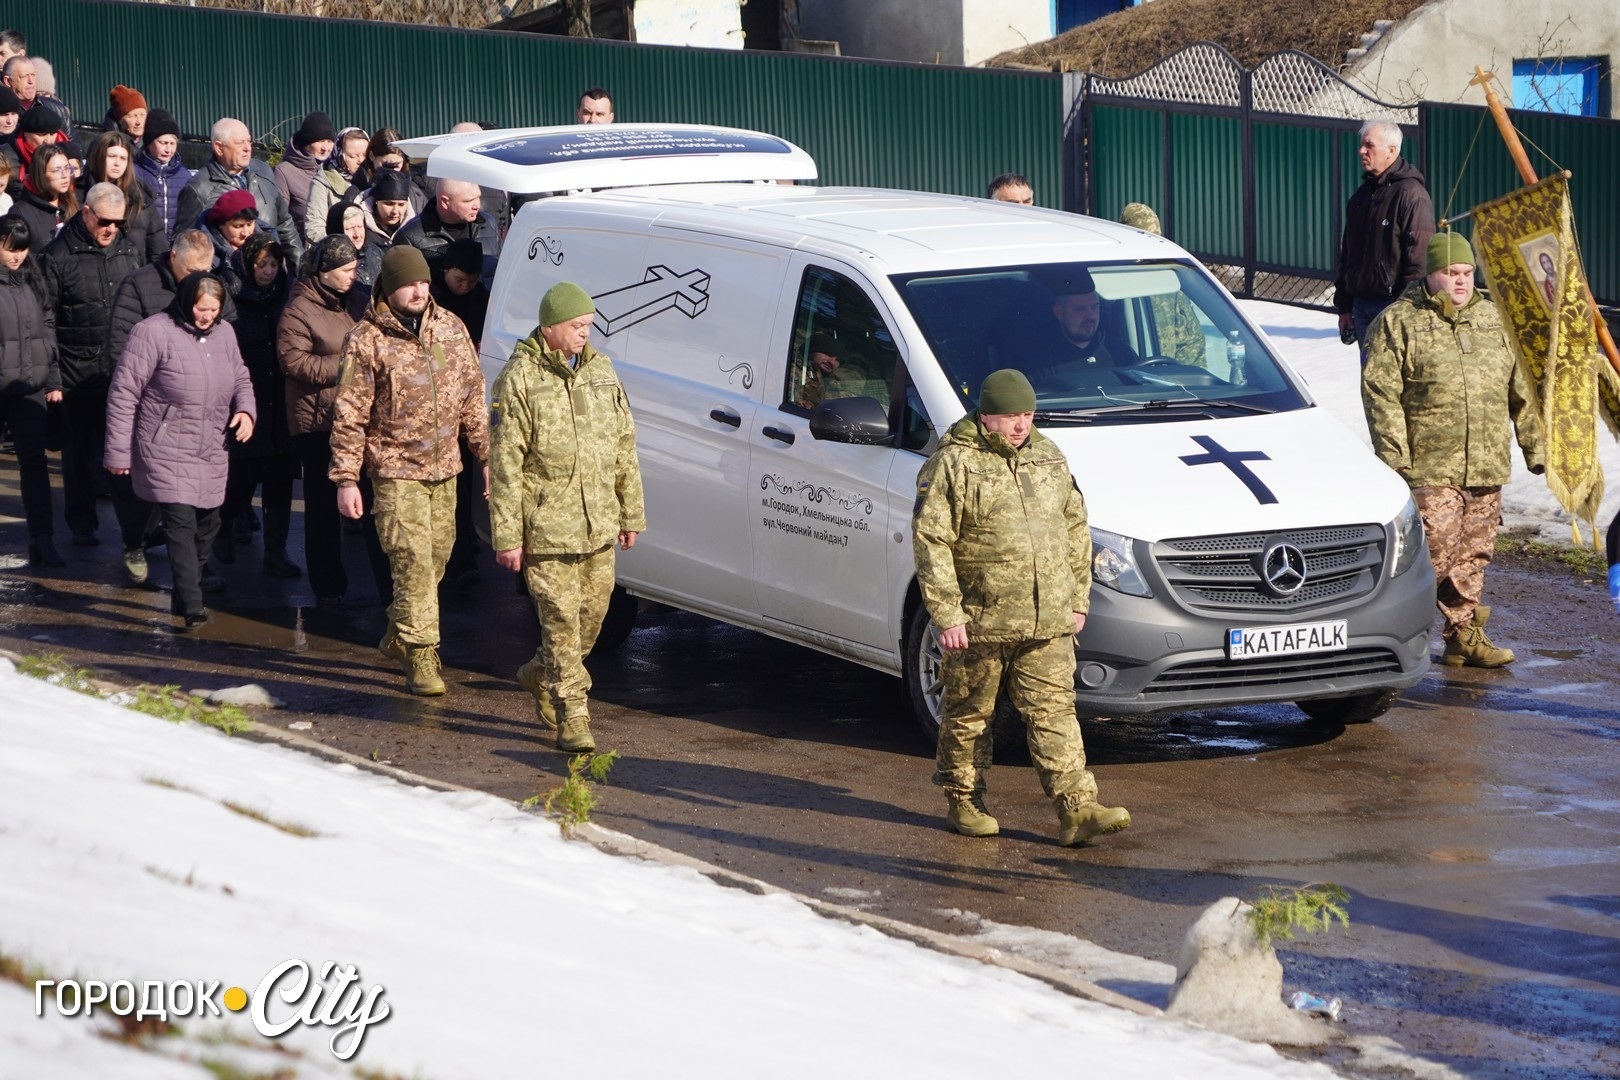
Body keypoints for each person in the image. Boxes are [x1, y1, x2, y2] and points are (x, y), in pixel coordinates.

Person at [912, 368, 1129, 845]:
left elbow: (1076, 529)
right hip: (981, 622)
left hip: (1047, 619)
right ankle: (964, 800)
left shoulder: (1048, 458)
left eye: (1028, 414)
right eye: (1011, 415)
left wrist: (1076, 600)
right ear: (986, 415)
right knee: (970, 715)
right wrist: (946, 614)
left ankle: (1077, 808)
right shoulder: (954, 464)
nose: (1021, 425)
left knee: (1055, 712)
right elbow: (932, 541)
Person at [1361, 233, 1544, 667]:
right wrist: (1395, 459)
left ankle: (1464, 636)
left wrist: (1535, 447)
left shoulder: (1494, 321)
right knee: (1432, 555)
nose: (1461, 282)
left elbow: (1522, 390)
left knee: (1472, 556)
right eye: (1451, 273)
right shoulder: (1399, 322)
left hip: (1485, 463)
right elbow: (1380, 393)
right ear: (1431, 274)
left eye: (1466, 273)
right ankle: (1388, 634)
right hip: (1427, 464)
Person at [489, 282, 644, 752]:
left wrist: (630, 512)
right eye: (577, 326)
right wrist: (507, 536)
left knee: (590, 623)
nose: (585, 334)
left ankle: (540, 674)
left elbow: (624, 446)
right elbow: (505, 465)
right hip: (548, 530)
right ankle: (573, 717)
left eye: (588, 326)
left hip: (597, 524)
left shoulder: (601, 372)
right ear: (550, 326)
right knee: (560, 624)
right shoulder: (518, 379)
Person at [328, 246, 488, 695]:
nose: (418, 291)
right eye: (407, 283)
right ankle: (422, 655)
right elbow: (349, 413)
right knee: (413, 562)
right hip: (395, 470)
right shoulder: (367, 339)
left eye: (422, 282)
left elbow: (473, 398)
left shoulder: (451, 328)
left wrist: (487, 457)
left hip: (447, 469)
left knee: (436, 559)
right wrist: (346, 479)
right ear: (388, 287)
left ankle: (399, 631)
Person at [105, 272, 255, 628]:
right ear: (187, 303)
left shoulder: (225, 334)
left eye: (214, 310)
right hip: (164, 445)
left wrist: (246, 410)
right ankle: (191, 604)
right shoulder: (152, 332)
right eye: (202, 309)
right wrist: (117, 453)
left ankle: (183, 593)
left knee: (209, 523)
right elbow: (124, 393)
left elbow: (241, 377)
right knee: (180, 523)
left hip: (211, 445)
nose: (207, 317)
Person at [279, 233, 389, 608]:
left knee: (372, 499)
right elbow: (293, 363)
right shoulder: (299, 308)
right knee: (323, 506)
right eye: (345, 270)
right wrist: (347, 367)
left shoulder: (359, 299)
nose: (352, 275)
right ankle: (327, 585)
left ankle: (386, 586)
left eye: (355, 268)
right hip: (318, 421)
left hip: (358, 417)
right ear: (324, 272)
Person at [40, 182, 141, 548]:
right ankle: (82, 524)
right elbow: (44, 319)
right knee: (79, 454)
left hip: (119, 368)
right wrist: (52, 377)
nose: (111, 229)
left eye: (117, 222)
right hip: (75, 370)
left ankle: (136, 528)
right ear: (86, 213)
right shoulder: (57, 256)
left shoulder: (128, 249)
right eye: (104, 221)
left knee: (124, 451)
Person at [217, 232, 299, 578]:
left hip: (282, 398)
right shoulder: (229, 293)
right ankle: (222, 527)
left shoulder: (288, 291)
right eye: (261, 264)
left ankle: (276, 550)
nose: (268, 271)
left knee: (281, 479)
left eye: (273, 264)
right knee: (242, 475)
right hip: (246, 397)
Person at [1334, 120, 1434, 361]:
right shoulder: (1361, 196)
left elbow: (1419, 259)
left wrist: (1405, 309)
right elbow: (1348, 254)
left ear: (1391, 150)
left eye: (1369, 145)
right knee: (1371, 381)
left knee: (1392, 381)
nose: (1361, 151)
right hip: (1362, 306)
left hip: (1392, 306)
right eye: (1361, 145)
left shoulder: (1411, 195)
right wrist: (1345, 306)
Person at [0, 213, 62, 567]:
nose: (16, 256)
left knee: (35, 465)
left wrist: (51, 374)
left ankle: (43, 538)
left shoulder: (32, 280)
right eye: (9, 249)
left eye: (21, 249)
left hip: (29, 385)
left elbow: (48, 324)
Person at [433, 238, 491, 591]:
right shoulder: (434, 299)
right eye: (460, 281)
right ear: (446, 272)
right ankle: (451, 556)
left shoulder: (479, 296)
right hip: (441, 398)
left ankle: (464, 547)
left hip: (470, 393)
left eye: (471, 282)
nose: (465, 288)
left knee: (467, 480)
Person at [176, 117, 302, 261]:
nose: (247, 148)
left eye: (248, 141)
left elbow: (284, 224)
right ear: (219, 147)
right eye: (239, 143)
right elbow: (183, 243)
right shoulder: (198, 188)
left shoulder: (263, 172)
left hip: (269, 271)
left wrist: (301, 267)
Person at [1118, 202, 1207, 367]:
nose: (1149, 250)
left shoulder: (1168, 284)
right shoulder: (1108, 284)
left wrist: (1186, 382)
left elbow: (1191, 342)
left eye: (1154, 240)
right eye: (1141, 241)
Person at [394, 178, 500, 284]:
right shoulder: (409, 237)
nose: (476, 206)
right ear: (445, 202)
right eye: (468, 201)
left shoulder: (488, 224)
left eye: (478, 198)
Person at [82, 130, 167, 263]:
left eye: (123, 158)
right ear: (99, 156)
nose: (117, 163)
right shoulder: (80, 193)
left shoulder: (141, 197)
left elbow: (158, 248)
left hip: (134, 275)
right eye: (111, 156)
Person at [273, 110, 335, 244]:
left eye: (329, 141)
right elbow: (280, 219)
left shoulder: (334, 170)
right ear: (306, 142)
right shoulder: (284, 171)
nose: (326, 147)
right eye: (320, 141)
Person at [304, 126, 368, 248]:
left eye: (365, 155)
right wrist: (342, 244)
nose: (360, 160)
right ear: (339, 155)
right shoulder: (322, 183)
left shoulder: (374, 183)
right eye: (353, 156)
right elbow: (314, 230)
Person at [133, 109, 190, 242]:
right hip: (144, 244)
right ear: (149, 142)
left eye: (172, 143)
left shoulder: (184, 175)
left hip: (175, 244)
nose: (168, 149)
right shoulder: (135, 172)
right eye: (163, 143)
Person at [11, 142, 74, 252]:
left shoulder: (74, 205)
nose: (65, 175)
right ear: (41, 174)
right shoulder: (20, 212)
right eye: (57, 170)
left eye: (67, 168)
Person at [1, 57, 68, 135]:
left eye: (33, 75)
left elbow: (73, 144)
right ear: (8, 81)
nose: (31, 81)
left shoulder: (57, 108)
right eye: (24, 76)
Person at [358, 167, 415, 246]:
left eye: (401, 204)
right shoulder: (359, 229)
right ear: (376, 202)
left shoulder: (414, 228)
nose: (395, 211)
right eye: (389, 204)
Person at [104, 85, 148, 149]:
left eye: (142, 115)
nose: (139, 122)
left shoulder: (152, 143)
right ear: (120, 120)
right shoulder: (106, 145)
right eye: (133, 116)